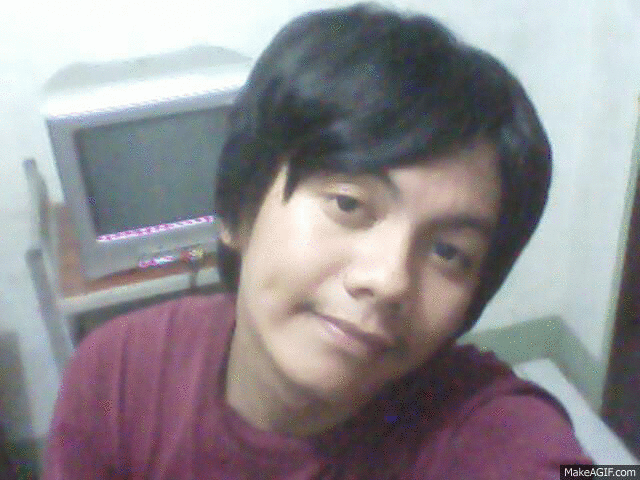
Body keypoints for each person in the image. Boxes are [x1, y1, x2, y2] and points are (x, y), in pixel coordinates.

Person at [44, 4, 592, 479]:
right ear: (238, 208)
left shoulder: (484, 430)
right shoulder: (117, 374)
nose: (390, 280)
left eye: (448, 252)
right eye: (348, 205)